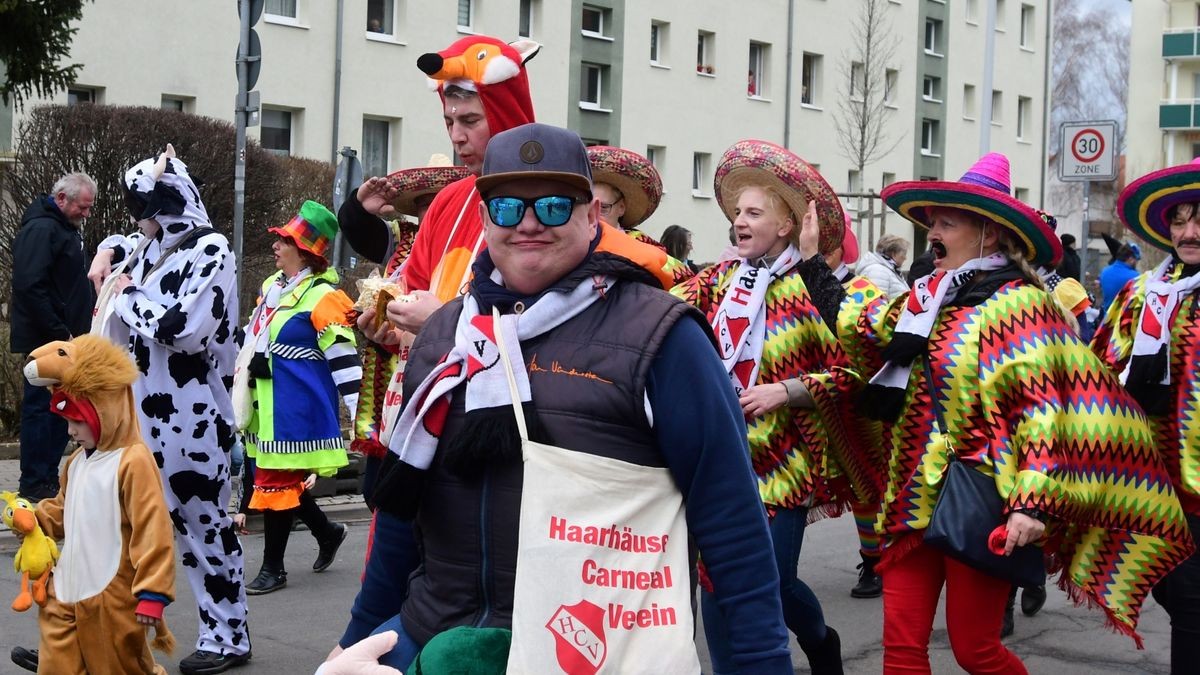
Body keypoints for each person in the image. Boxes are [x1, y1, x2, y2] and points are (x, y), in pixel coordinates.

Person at [356, 123, 793, 671]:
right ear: (486, 220)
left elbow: (731, 525)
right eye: (509, 207)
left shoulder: (662, 335)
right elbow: (401, 516)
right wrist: (357, 640)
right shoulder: (444, 336)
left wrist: (761, 663)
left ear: (592, 218)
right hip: (437, 644)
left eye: (557, 205)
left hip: (597, 653)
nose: (531, 223)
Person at [838, 153, 1193, 673]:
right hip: (911, 494)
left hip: (980, 497)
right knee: (902, 648)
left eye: (946, 222)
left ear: (990, 234)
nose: (931, 232)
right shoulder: (925, 301)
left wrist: (1031, 502)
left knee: (975, 649)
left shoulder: (1016, 305)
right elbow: (864, 329)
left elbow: (1044, 411)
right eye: (930, 221)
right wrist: (822, 263)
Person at [672, 139, 847, 674]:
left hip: (784, 463)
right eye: (737, 213)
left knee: (769, 580)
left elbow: (852, 372)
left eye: (754, 213)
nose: (740, 222)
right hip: (722, 456)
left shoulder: (810, 292)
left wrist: (786, 390)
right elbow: (662, 311)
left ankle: (820, 640)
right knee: (722, 581)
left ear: (786, 226)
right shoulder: (720, 279)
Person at [89, 145, 251, 674]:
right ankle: (94, 641)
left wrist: (126, 293)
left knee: (202, 529)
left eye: (147, 207)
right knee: (117, 530)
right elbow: (119, 247)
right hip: (132, 414)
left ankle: (227, 637)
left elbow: (183, 328)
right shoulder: (148, 247)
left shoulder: (212, 250)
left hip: (190, 416)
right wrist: (109, 255)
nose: (141, 220)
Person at [1095, 157, 1200, 673]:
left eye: (1199, 218)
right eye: (1179, 220)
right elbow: (1100, 370)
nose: (1189, 231)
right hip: (1157, 486)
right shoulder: (1142, 295)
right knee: (1178, 594)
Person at [21, 334, 176, 674]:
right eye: (67, 422)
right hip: (65, 589)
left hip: (111, 598)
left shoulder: (132, 460)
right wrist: (35, 518)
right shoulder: (76, 462)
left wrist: (152, 591)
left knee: (117, 667)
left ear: (105, 408)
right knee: (57, 667)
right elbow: (66, 508)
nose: (71, 432)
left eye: (77, 422)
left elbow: (152, 528)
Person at [237, 201, 359, 595]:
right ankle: (327, 532)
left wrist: (363, 418)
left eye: (284, 240)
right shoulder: (272, 287)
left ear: (305, 251)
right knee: (273, 477)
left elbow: (345, 361)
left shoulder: (325, 298)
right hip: (262, 405)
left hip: (295, 409)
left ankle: (274, 569)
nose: (276, 245)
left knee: (274, 480)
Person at [10, 173, 96, 503]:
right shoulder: (42, 229)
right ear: (61, 199)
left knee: (59, 407)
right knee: (41, 409)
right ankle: (35, 481)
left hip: (64, 339)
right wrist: (61, 330)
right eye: (82, 207)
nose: (85, 214)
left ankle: (47, 478)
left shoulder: (62, 228)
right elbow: (30, 286)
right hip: (48, 340)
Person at [855, 233, 910, 297]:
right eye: (903, 254)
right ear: (894, 254)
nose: (905, 258)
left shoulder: (888, 270)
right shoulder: (878, 271)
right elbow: (876, 302)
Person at [1098, 241, 1140, 313]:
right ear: (1131, 259)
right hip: (1124, 321)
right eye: (1136, 260)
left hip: (1107, 320)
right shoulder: (1135, 276)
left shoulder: (1104, 272)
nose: (1136, 263)